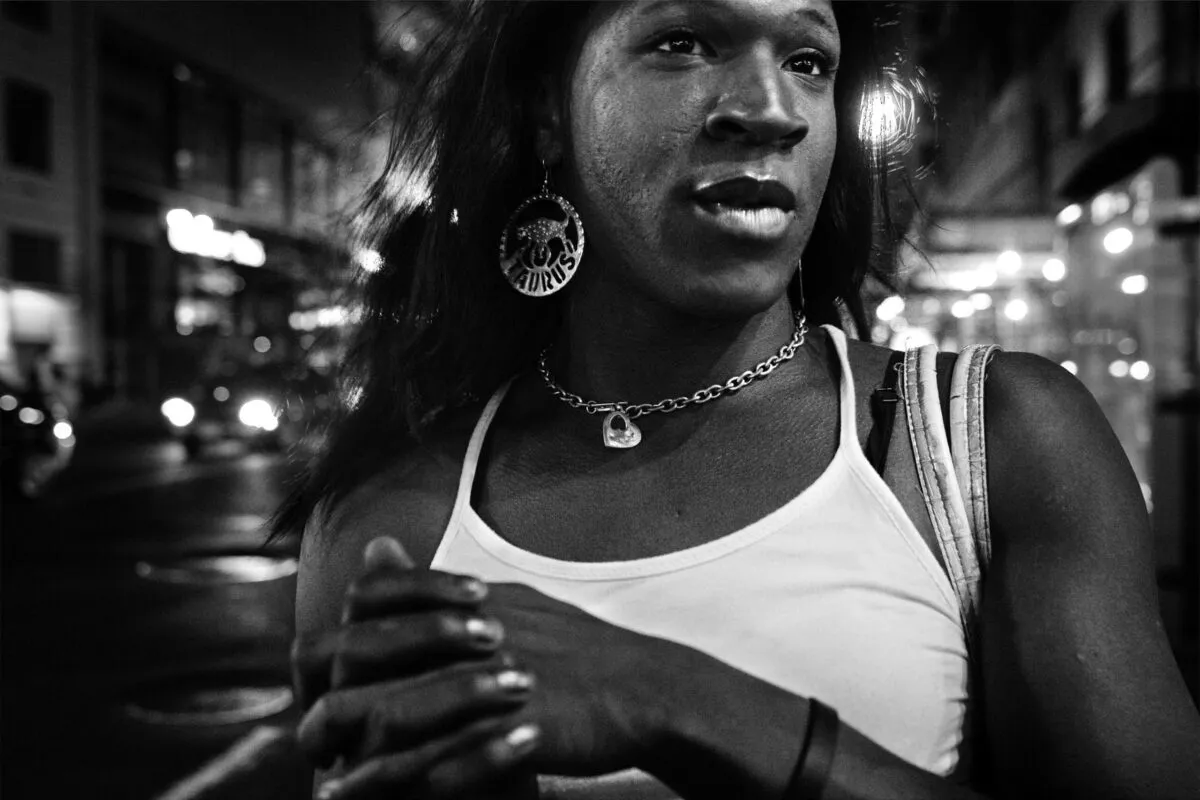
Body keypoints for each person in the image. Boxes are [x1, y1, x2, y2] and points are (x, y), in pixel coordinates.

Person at [277, 1, 1200, 798]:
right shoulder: (390, 515)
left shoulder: (986, 443)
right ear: (547, 113)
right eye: (682, 41)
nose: (768, 110)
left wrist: (684, 702)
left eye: (808, 61)